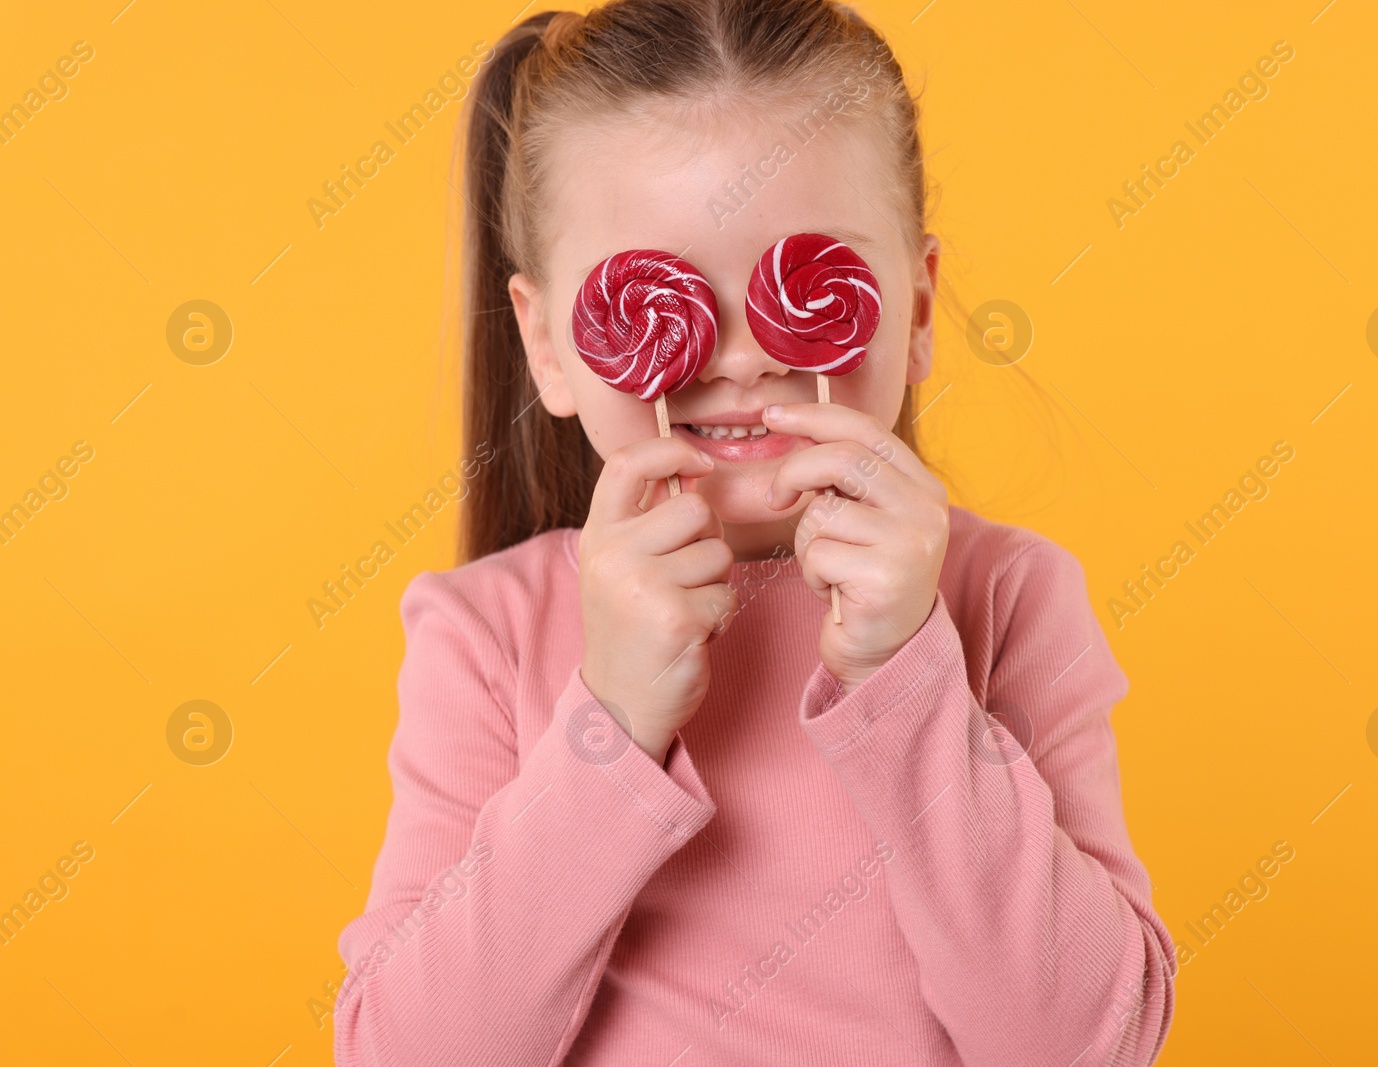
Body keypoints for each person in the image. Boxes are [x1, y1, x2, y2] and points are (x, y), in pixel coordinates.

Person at [335, 2, 1175, 1063]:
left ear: (914, 309)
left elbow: (1080, 1043)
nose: (738, 357)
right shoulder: (486, 630)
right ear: (549, 343)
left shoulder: (1010, 598)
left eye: (803, 277)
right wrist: (612, 719)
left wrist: (904, 675)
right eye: (659, 288)